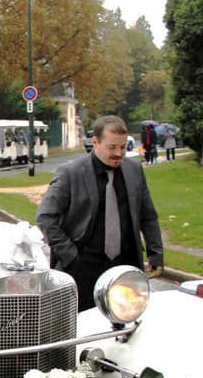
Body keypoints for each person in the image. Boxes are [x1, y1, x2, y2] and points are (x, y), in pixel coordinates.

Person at [36, 115, 163, 312]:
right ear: (95, 142)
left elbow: (148, 216)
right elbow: (45, 217)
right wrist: (70, 255)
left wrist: (156, 254)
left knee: (126, 327)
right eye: (112, 147)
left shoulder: (134, 170)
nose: (119, 153)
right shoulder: (71, 173)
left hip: (125, 268)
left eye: (122, 147)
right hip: (82, 268)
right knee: (84, 330)